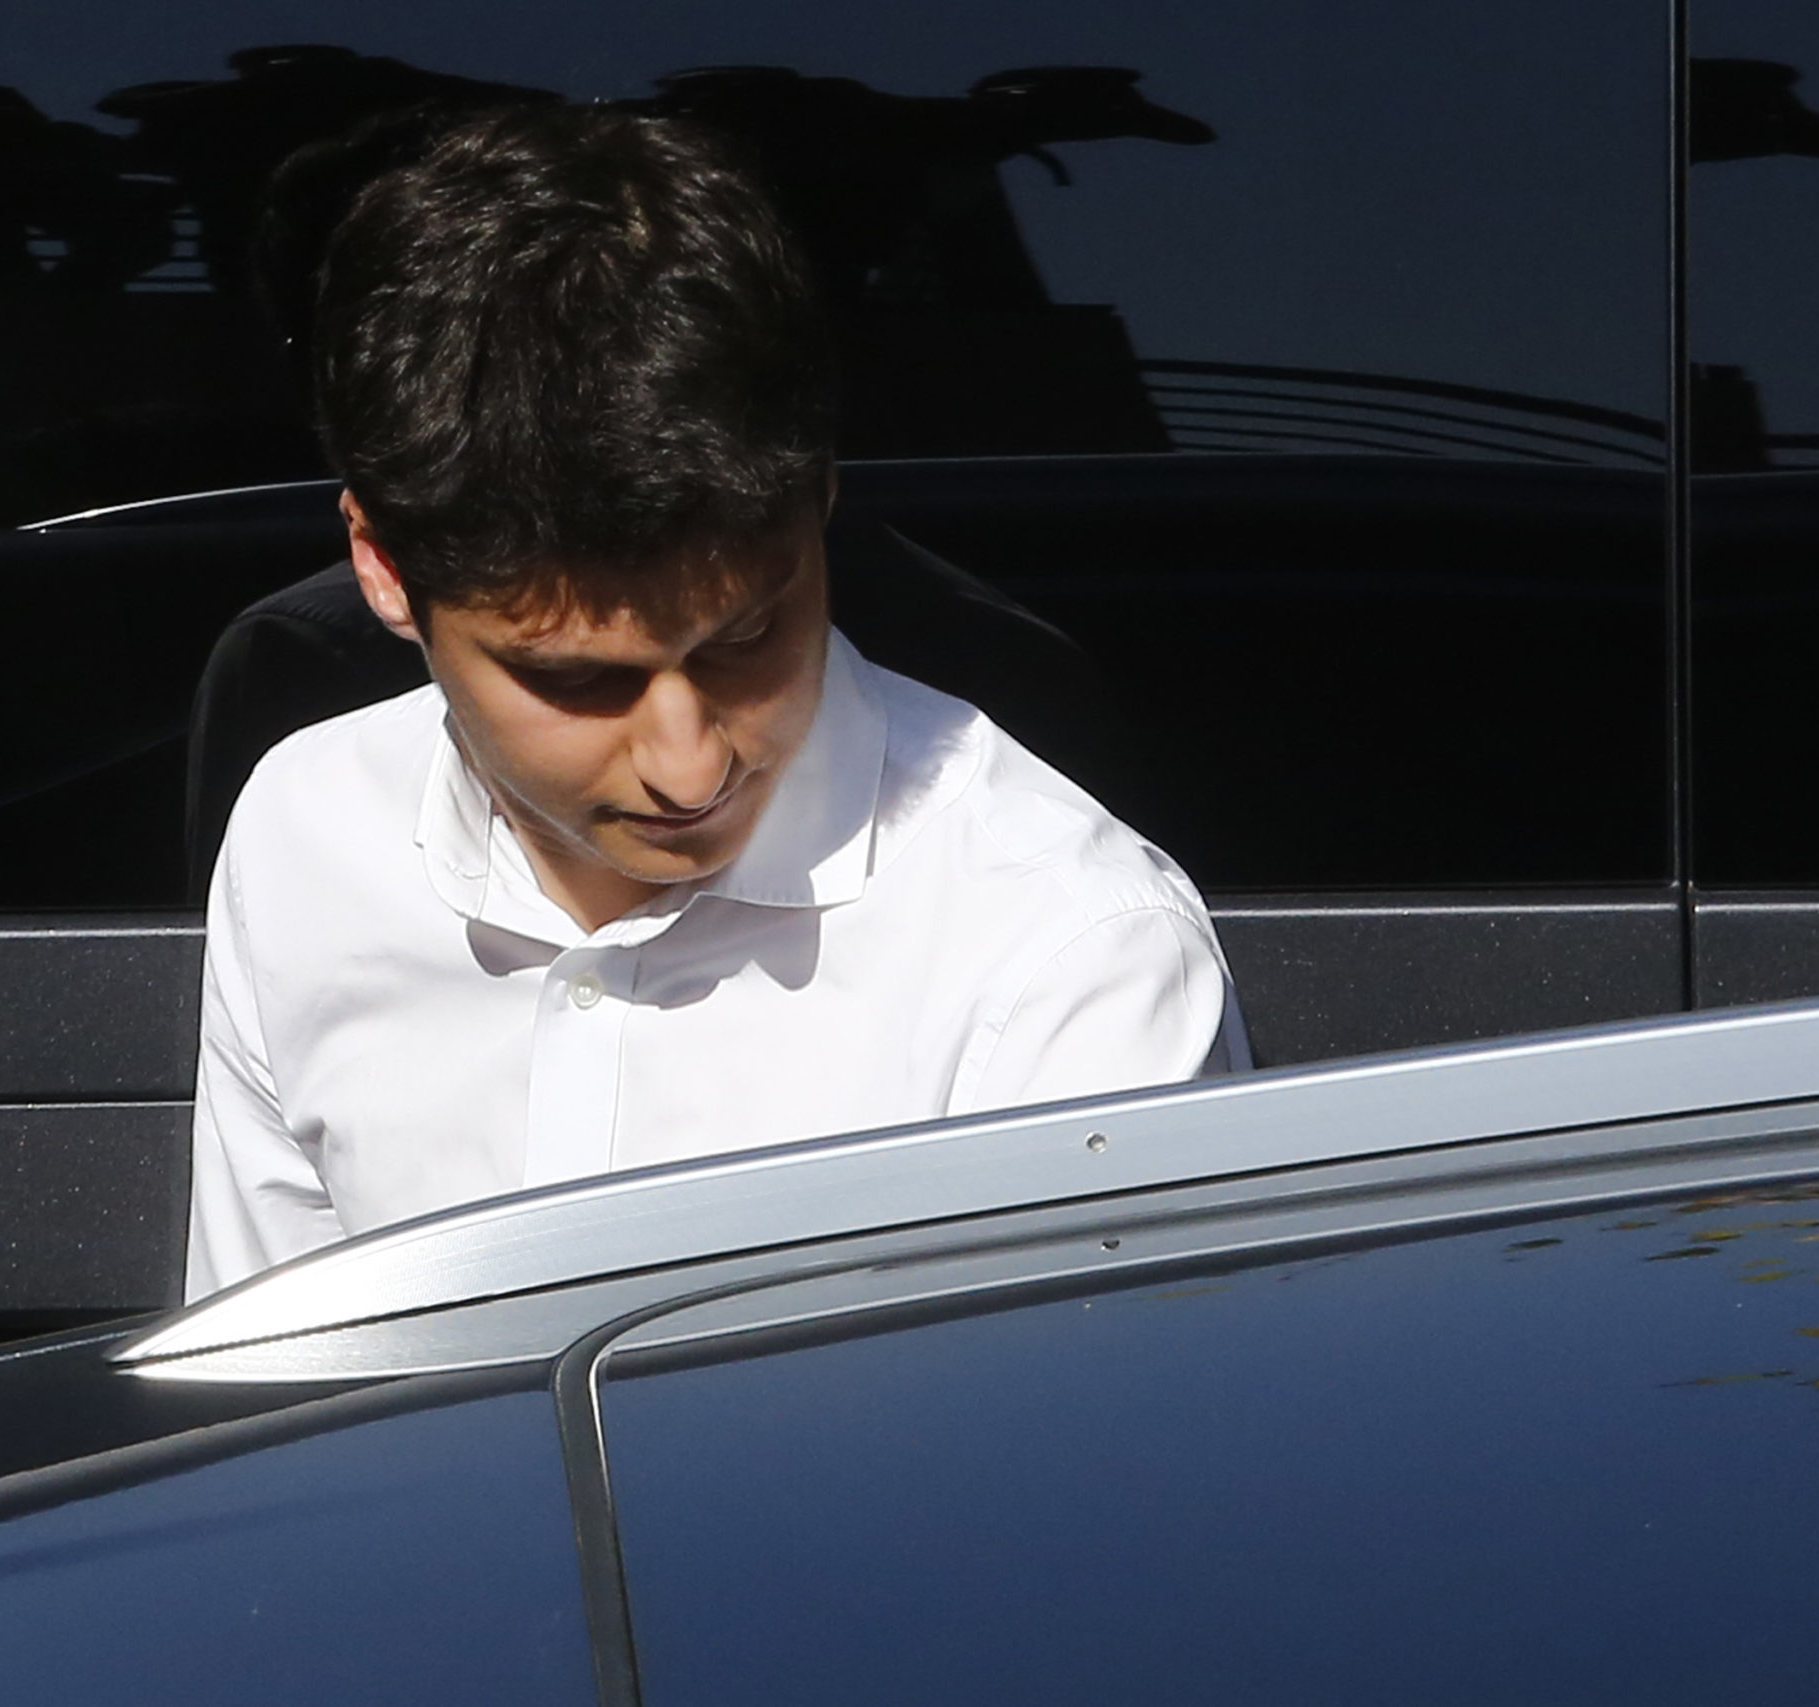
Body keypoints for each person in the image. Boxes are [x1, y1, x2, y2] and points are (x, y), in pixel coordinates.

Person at [186, 104, 1241, 1299]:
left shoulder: (1066, 948)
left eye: (745, 639)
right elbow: (270, 1379)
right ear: (381, 569)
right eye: (576, 679)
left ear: (821, 498)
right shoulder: (304, 833)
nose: (688, 765)